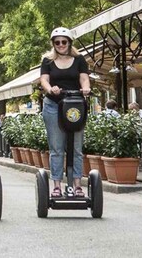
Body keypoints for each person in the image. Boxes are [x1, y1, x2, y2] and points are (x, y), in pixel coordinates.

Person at [39, 27, 91, 198]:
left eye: (64, 41)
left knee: (76, 148)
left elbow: (83, 78)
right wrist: (50, 89)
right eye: (57, 42)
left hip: (75, 106)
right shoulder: (47, 61)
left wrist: (86, 88)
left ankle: (77, 185)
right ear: (53, 44)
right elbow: (44, 80)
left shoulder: (79, 59)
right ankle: (56, 185)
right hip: (54, 105)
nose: (61, 45)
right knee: (56, 148)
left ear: (69, 43)